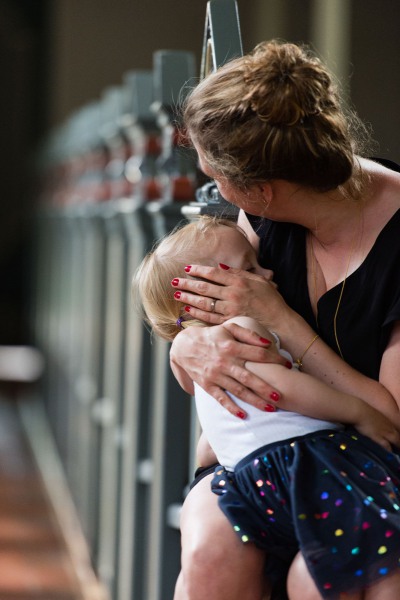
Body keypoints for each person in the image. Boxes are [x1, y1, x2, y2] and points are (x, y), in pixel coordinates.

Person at [165, 40, 400, 600]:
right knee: (208, 552)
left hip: (373, 465)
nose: (212, 192)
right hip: (272, 459)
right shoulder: (255, 222)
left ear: (262, 190)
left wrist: (285, 322)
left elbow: (390, 420)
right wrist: (184, 347)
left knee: (316, 579)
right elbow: (207, 331)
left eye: (213, 176)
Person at [134, 215, 400, 599]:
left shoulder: (203, 352)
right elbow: (283, 390)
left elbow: (215, 431)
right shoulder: (245, 328)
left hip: (246, 480)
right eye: (249, 269)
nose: (268, 271)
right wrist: (358, 412)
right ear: (206, 294)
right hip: (306, 466)